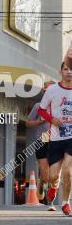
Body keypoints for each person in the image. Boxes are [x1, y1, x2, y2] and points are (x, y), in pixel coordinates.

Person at [37, 62, 72, 215]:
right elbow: (41, 110)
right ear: (60, 72)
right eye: (66, 69)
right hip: (56, 138)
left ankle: (66, 203)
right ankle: (53, 187)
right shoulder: (52, 90)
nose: (69, 72)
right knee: (53, 176)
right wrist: (52, 120)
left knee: (68, 171)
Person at [25, 88, 52, 203]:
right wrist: (39, 121)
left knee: (55, 171)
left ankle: (51, 192)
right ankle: (43, 181)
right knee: (45, 172)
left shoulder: (63, 106)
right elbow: (28, 123)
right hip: (42, 139)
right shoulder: (38, 106)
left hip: (57, 139)